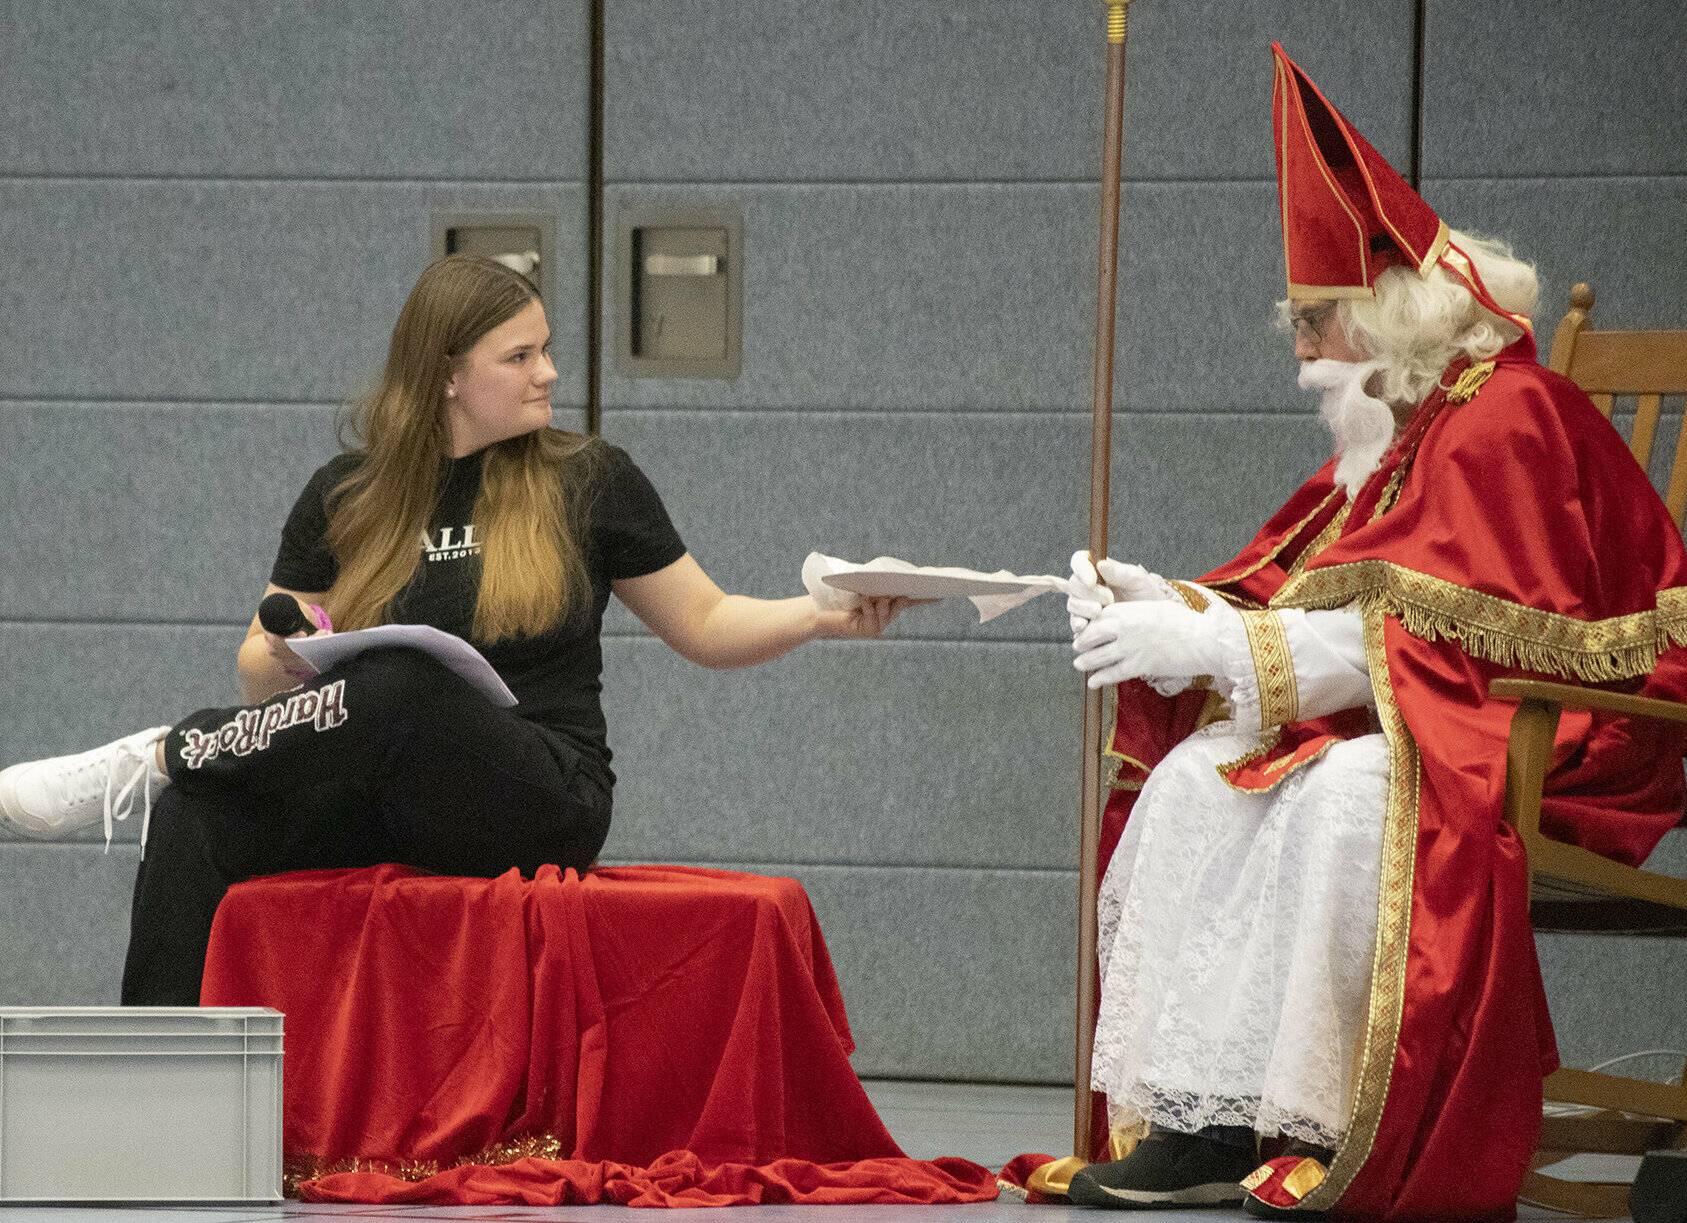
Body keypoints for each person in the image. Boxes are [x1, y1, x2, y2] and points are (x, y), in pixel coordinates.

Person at [1055, 44, 1687, 1220]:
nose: (1297, 349)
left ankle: (1332, 1122)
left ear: (1387, 313)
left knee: (1353, 793)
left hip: (1570, 735)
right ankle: (1204, 1116)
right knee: (1199, 774)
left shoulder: (1505, 416)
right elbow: (1316, 591)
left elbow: (1463, 636)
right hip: (1443, 718)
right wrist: (1180, 607)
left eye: (1316, 320)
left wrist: (1212, 650)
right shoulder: (1401, 430)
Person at [0, 254, 913, 1007]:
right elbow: (254, 660)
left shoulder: (589, 478)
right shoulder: (345, 493)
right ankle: (157, 1093)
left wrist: (821, 613)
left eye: (545, 350)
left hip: (536, 793)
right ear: (446, 373)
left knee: (400, 682)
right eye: (519, 356)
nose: (548, 372)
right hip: (379, 788)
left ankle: (163, 750)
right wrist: (280, 657)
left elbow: (707, 621)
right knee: (200, 814)